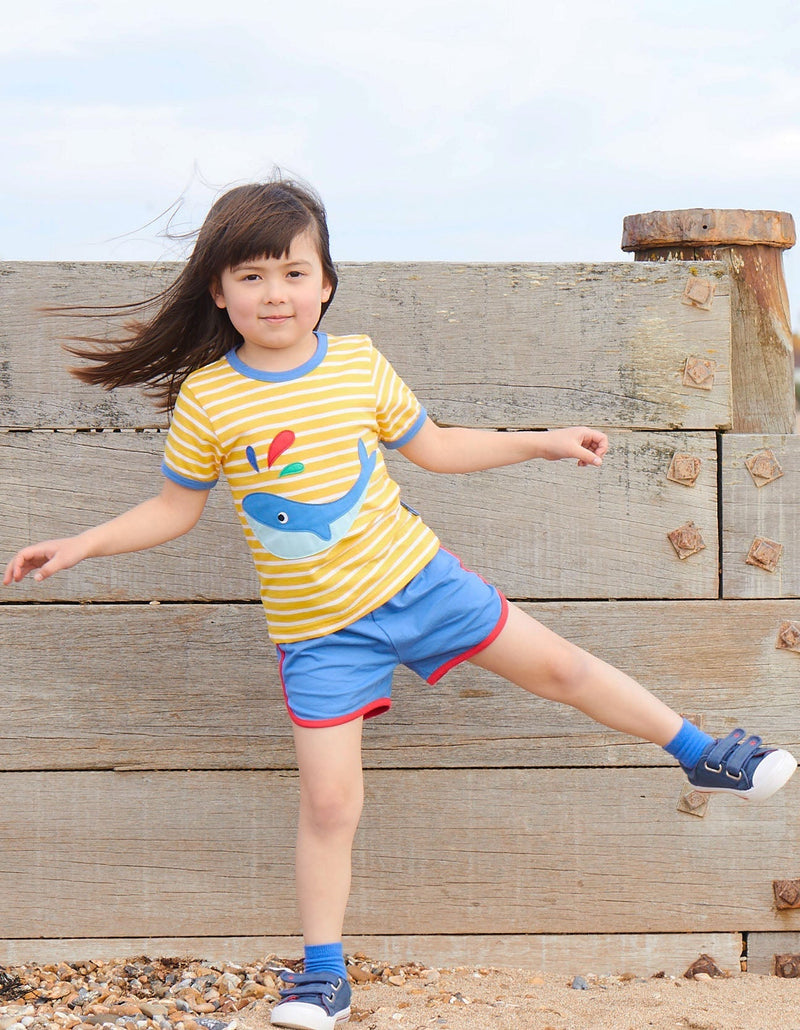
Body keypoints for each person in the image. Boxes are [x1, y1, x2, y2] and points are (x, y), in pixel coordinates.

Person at [4, 178, 796, 1030]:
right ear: (218, 290)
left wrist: (542, 442)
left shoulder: (357, 364)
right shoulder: (211, 398)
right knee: (331, 803)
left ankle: (703, 752)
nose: (277, 293)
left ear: (326, 283)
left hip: (422, 584)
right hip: (319, 635)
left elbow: (439, 448)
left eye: (294, 273)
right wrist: (81, 543)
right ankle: (321, 976)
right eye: (253, 276)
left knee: (564, 667)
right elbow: (173, 508)